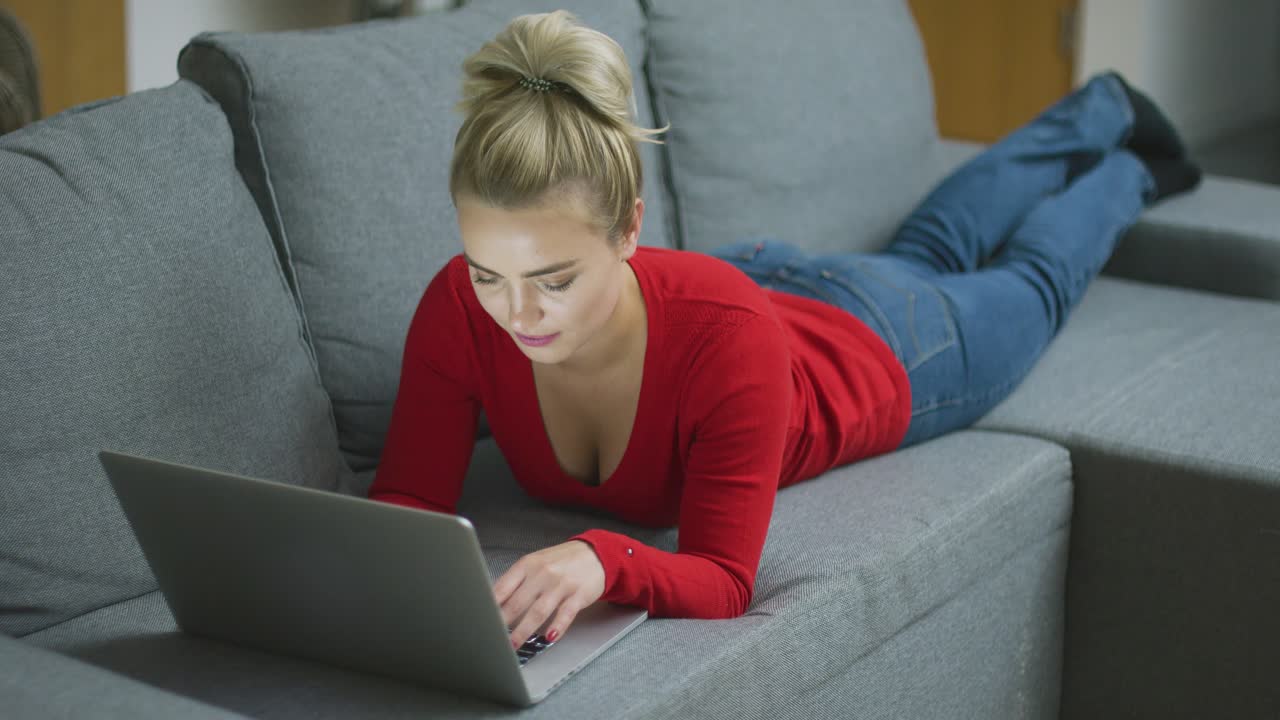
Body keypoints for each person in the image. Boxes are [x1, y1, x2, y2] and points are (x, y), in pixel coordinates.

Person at [368, 10, 1202, 651]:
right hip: (755, 284)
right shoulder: (457, 307)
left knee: (1030, 282)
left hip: (881, 340)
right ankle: (1100, 110)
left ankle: (1125, 159)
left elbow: (726, 579)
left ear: (630, 230)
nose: (516, 314)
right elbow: (406, 504)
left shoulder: (723, 340)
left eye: (554, 281)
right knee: (928, 248)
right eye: (489, 275)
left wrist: (603, 557)